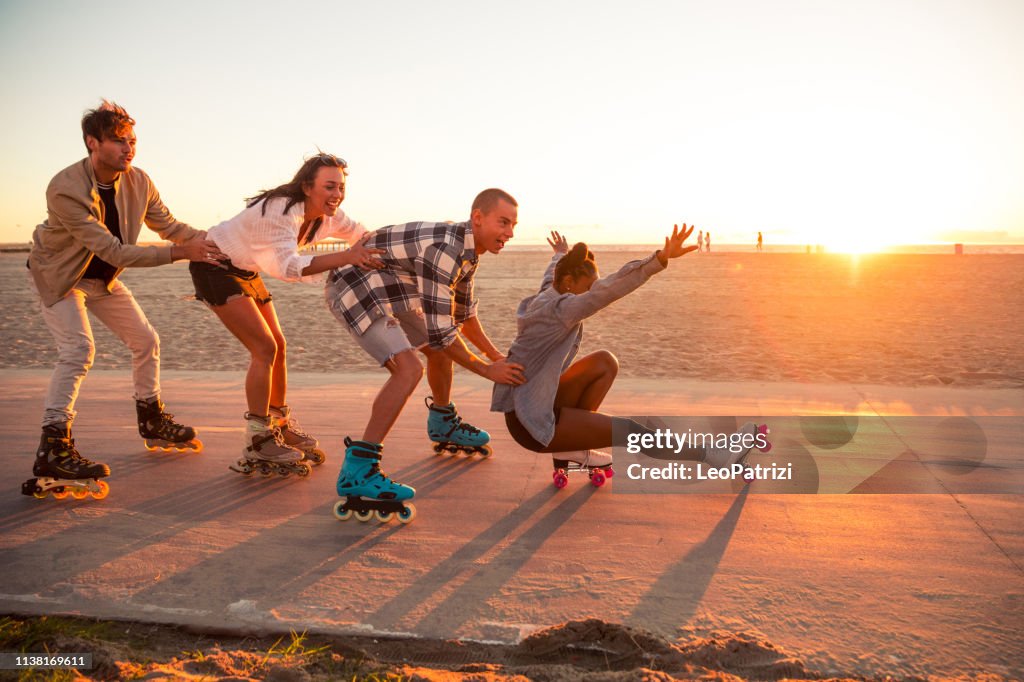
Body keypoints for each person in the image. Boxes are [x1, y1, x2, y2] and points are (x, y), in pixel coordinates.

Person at [23, 100, 224, 500]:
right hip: (60, 277)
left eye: (132, 140)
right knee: (78, 350)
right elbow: (113, 250)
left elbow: (169, 226)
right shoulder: (65, 187)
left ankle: (151, 419)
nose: (128, 148)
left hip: (101, 279)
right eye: (118, 141)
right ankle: (53, 446)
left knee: (146, 340)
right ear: (92, 142)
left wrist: (213, 241)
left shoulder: (139, 181)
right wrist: (182, 253)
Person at [491, 225, 758, 481]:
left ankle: (570, 446)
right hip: (531, 424)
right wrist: (661, 258)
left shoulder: (548, 295)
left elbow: (552, 275)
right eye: (588, 288)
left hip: (529, 407)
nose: (590, 294)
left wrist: (560, 254)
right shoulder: (562, 309)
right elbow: (611, 288)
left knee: (604, 362)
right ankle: (713, 456)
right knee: (630, 430)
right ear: (570, 282)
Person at [324, 188, 526, 523]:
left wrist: (495, 356)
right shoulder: (446, 250)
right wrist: (487, 371)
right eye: (503, 222)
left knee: (438, 351)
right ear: (478, 218)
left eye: (514, 225)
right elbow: (444, 333)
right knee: (409, 370)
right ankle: (358, 470)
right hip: (355, 286)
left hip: (391, 286)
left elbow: (463, 315)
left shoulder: (469, 251)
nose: (510, 233)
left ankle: (443, 422)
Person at [190, 153, 384, 477]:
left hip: (246, 269)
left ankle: (278, 422)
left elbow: (362, 236)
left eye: (341, 187)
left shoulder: (328, 216)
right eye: (329, 186)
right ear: (308, 186)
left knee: (279, 345)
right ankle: (257, 438)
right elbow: (288, 267)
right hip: (214, 266)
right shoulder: (282, 210)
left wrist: (392, 250)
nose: (336, 194)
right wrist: (347, 256)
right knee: (263, 348)